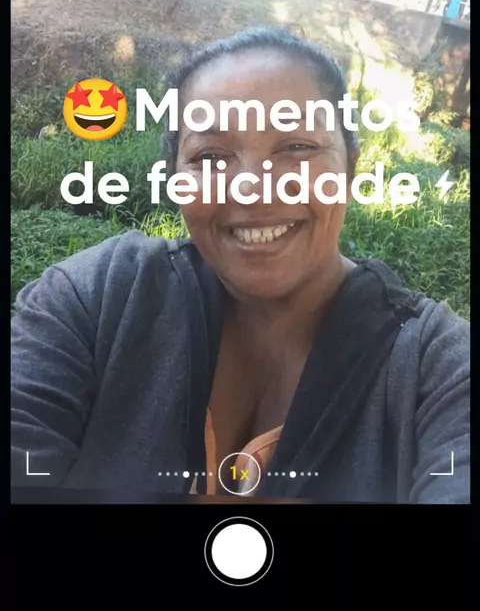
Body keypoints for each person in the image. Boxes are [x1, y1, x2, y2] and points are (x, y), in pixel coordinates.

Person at [11, 27, 470, 503]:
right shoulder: (95, 300)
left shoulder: (437, 369)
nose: (252, 188)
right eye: (211, 156)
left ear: (350, 169)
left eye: (296, 147)